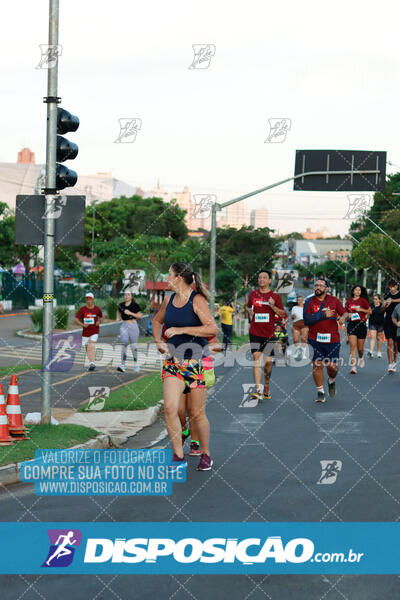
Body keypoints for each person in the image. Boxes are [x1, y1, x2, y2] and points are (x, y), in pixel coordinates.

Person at [152, 262, 218, 472]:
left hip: (195, 364)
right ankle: (178, 455)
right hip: (173, 363)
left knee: (197, 414)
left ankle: (205, 454)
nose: (166, 279)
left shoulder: (196, 300)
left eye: (168, 275)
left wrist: (181, 330)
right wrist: (158, 342)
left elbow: (211, 328)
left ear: (178, 278)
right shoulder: (169, 300)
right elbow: (156, 321)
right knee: (171, 408)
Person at [303, 278, 347, 402]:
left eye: (321, 286)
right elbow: (307, 320)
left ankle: (331, 381)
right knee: (317, 366)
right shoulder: (309, 301)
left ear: (326, 289)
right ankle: (320, 391)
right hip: (314, 339)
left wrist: (343, 318)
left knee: (332, 367)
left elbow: (344, 313)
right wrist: (323, 315)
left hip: (332, 339)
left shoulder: (334, 300)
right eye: (316, 285)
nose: (318, 287)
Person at [245, 270, 285, 401]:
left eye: (264, 278)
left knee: (268, 362)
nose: (262, 279)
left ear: (269, 281)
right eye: (260, 277)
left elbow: (283, 314)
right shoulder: (253, 294)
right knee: (257, 359)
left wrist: (273, 306)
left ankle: (266, 385)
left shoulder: (275, 296)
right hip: (255, 332)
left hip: (269, 333)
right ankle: (258, 390)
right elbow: (248, 307)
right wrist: (250, 311)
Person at [345, 285, 372, 374]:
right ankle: (353, 367)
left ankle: (360, 357)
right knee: (353, 346)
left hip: (361, 325)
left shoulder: (363, 301)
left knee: (360, 348)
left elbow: (370, 311)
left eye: (359, 290)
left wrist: (361, 309)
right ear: (353, 291)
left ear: (361, 292)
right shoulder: (348, 301)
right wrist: (347, 315)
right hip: (352, 324)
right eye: (356, 290)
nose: (357, 291)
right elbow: (345, 312)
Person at [116, 290, 143, 373]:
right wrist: (118, 318)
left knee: (133, 346)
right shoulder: (121, 305)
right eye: (125, 295)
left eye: (128, 295)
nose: (126, 296)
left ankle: (136, 364)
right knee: (124, 343)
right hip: (124, 326)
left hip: (133, 327)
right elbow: (118, 311)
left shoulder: (135, 305)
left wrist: (130, 313)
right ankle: (122, 365)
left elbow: (140, 316)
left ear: (131, 296)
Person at [75, 293, 103, 371]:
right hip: (86, 332)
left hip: (95, 330)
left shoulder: (97, 309)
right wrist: (83, 324)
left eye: (90, 299)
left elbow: (101, 317)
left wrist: (99, 321)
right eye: (87, 299)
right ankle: (91, 363)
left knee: (92, 344)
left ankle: (92, 363)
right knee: (87, 347)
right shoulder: (82, 309)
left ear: (93, 300)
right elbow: (76, 319)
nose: (88, 300)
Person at [382, 280, 400, 373]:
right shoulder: (386, 295)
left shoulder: (399, 294)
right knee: (389, 341)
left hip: (397, 321)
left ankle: (394, 361)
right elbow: (382, 309)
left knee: (396, 343)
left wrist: (392, 300)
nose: (391, 288)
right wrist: (384, 305)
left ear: (397, 286)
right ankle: (389, 364)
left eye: (393, 286)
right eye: (390, 287)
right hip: (388, 321)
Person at [367, 294, 384, 358]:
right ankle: (371, 352)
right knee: (372, 337)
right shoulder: (371, 305)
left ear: (379, 300)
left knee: (379, 338)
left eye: (376, 299)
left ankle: (379, 352)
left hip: (381, 324)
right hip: (372, 323)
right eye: (374, 299)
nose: (375, 300)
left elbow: (386, 313)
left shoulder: (383, 306)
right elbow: (368, 312)